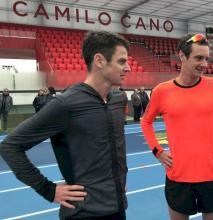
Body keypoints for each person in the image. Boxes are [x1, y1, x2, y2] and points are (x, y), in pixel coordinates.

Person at [0, 31, 130, 219]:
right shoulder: (66, 104)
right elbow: (10, 146)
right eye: (121, 61)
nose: (128, 68)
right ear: (100, 61)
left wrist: (116, 182)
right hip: (83, 213)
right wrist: (48, 190)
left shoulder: (118, 99)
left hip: (118, 208)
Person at [141, 33, 213, 220]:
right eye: (199, 58)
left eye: (207, 58)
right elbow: (145, 121)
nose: (205, 64)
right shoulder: (161, 91)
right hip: (178, 178)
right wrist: (158, 151)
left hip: (212, 175)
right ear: (182, 56)